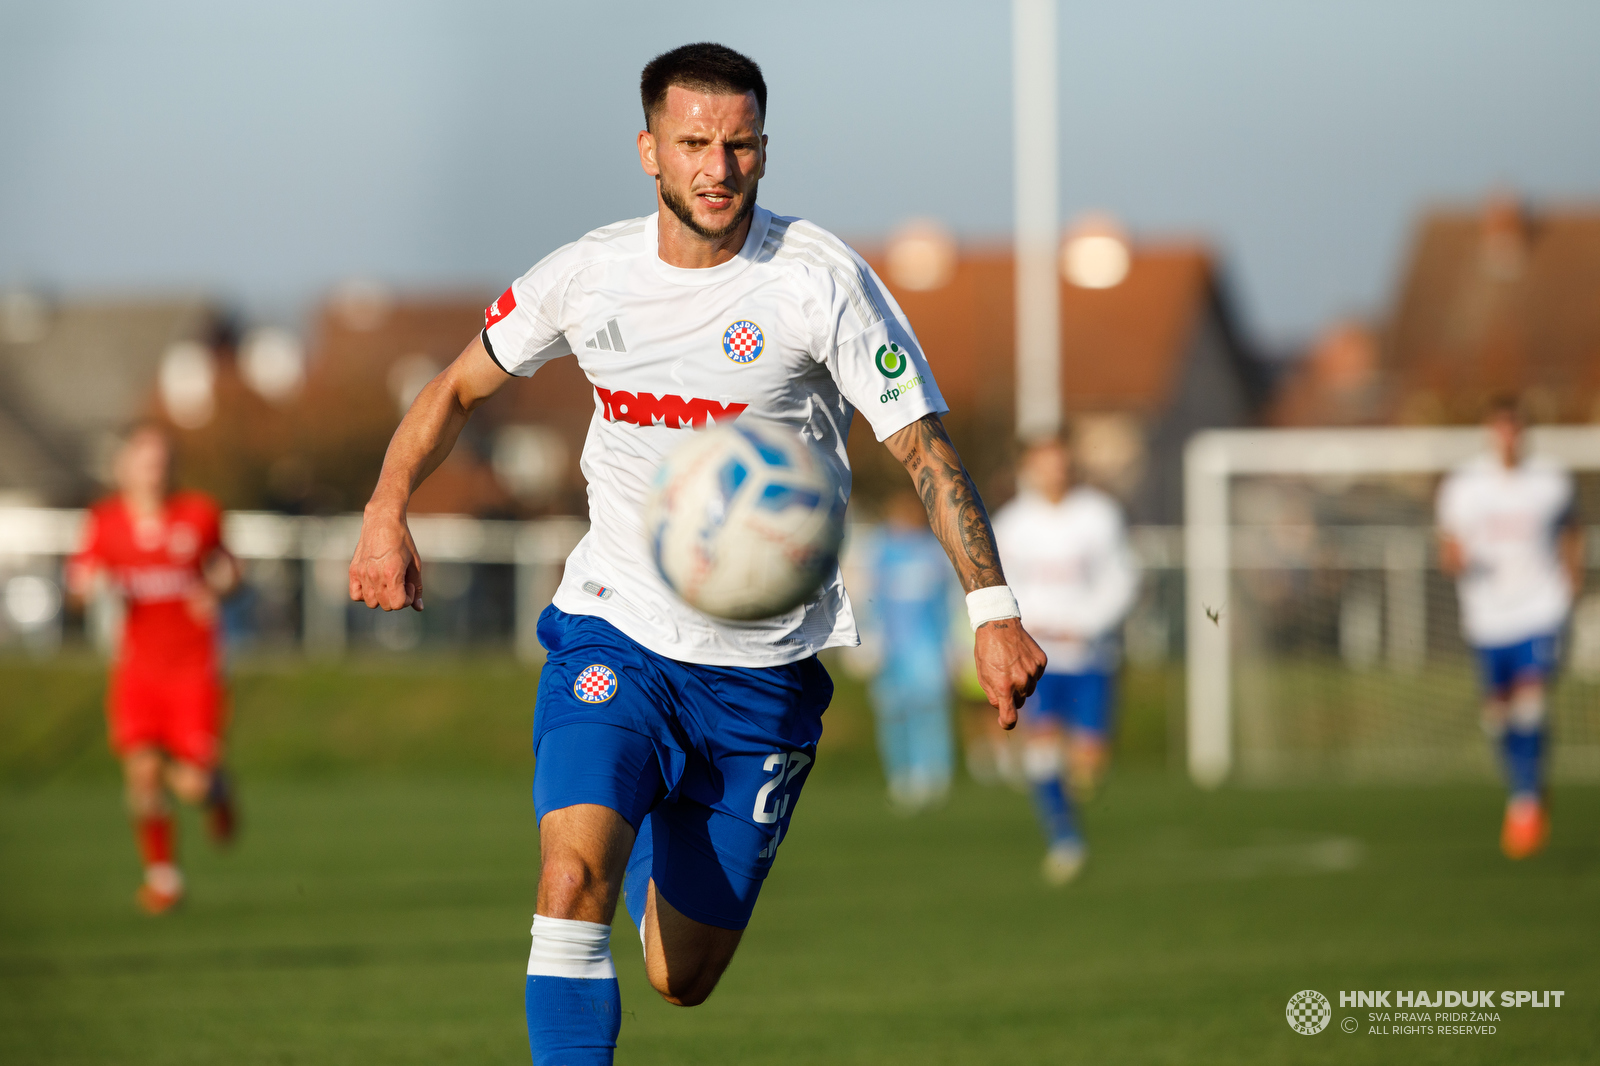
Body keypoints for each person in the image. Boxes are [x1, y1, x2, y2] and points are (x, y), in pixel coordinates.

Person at [345, 43, 1047, 1066]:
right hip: (615, 630)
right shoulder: (587, 276)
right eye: (693, 145)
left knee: (681, 977)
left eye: (739, 145)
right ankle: (624, 803)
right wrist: (384, 506)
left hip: (761, 672)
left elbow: (922, 449)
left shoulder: (819, 283)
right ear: (648, 152)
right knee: (568, 881)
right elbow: (457, 386)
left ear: (764, 151)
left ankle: (663, 817)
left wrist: (992, 613)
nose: (717, 167)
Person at [67, 422, 240, 914]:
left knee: (192, 784)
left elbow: (231, 571)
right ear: (124, 466)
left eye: (162, 460)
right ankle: (164, 879)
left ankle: (219, 792)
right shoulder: (104, 523)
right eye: (144, 460)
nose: (153, 470)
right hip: (138, 669)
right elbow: (78, 590)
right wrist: (89, 591)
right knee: (141, 773)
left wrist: (217, 589)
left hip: (192, 668)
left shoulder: (199, 514)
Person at [1437, 397, 1582, 860]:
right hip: (1487, 616)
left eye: (1515, 428)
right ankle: (1528, 785)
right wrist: (1455, 560)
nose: (1508, 437)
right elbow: (1450, 546)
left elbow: (1571, 529)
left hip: (1540, 610)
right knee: (1498, 717)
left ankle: (1524, 805)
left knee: (1531, 704)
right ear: (1488, 432)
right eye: (1500, 428)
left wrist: (1572, 577)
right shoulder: (1463, 487)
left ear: (1524, 433)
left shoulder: (1549, 482)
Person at [993, 435, 1138, 884]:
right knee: (1041, 751)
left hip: (1090, 656)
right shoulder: (1011, 524)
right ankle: (1065, 840)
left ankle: (1070, 808)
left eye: (1061, 462)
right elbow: (997, 586)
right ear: (1029, 468)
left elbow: (1122, 578)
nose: (1055, 471)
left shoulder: (1098, 515)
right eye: (1045, 463)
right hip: (1036, 660)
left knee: (1089, 764)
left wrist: (1090, 623)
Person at [864, 490, 959, 812]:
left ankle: (933, 773)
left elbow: (949, 601)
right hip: (892, 649)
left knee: (930, 711)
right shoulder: (880, 550)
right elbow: (868, 598)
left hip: (928, 647)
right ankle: (901, 774)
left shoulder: (935, 552)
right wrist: (869, 641)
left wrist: (952, 646)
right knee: (893, 713)